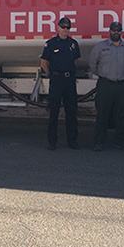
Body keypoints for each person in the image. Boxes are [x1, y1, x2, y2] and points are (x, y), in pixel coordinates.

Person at [88, 21, 124, 151]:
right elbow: (93, 64)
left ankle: (121, 142)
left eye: (118, 30)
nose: (116, 32)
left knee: (121, 115)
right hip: (106, 84)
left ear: (121, 32)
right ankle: (99, 142)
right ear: (109, 31)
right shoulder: (100, 47)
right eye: (114, 30)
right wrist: (103, 75)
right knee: (103, 114)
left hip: (122, 85)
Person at [40, 17, 81, 150]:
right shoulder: (51, 43)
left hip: (69, 81)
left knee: (72, 111)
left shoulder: (73, 44)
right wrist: (52, 75)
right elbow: (44, 63)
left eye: (67, 27)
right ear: (58, 27)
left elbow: (76, 61)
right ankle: (52, 141)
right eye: (63, 26)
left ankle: (72, 141)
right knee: (54, 112)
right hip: (57, 80)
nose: (65, 29)